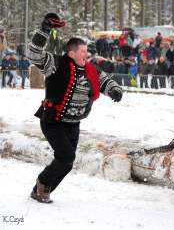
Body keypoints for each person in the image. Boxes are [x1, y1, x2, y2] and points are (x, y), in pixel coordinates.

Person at [27, 13, 123, 203]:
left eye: (86, 51)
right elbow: (33, 53)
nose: (85, 54)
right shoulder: (55, 64)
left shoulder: (90, 69)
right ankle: (42, 184)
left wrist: (115, 90)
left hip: (73, 123)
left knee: (68, 162)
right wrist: (45, 30)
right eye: (82, 51)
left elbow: (105, 81)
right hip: (53, 120)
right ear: (71, 53)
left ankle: (40, 191)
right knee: (66, 156)